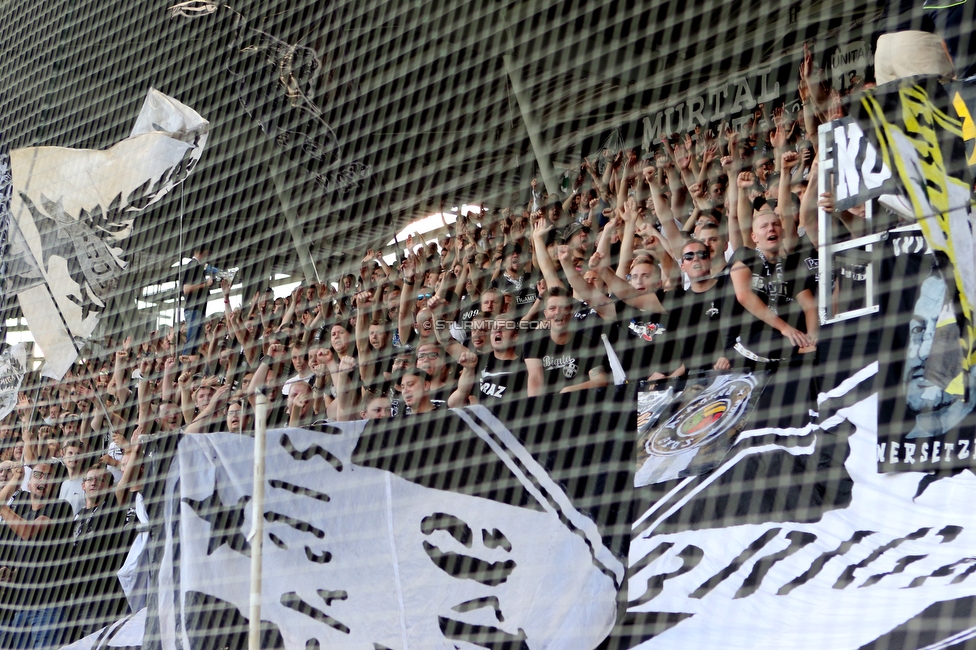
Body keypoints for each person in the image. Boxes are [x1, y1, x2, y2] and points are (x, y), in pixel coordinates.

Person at [0, 462, 75, 650]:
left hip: (49, 607)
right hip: (21, 608)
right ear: (29, 483)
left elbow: (28, 532)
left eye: (49, 477)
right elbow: (25, 563)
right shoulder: (22, 515)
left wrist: (2, 506)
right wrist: (9, 574)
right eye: (39, 475)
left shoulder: (60, 507)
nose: (44, 480)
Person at [65, 464, 131, 642]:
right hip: (74, 595)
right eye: (90, 479)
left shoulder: (112, 509)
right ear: (83, 485)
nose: (94, 482)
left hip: (99, 596)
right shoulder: (76, 516)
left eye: (101, 479)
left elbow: (123, 487)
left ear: (109, 486)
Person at [182, 244, 213, 358]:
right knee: (191, 343)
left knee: (195, 345)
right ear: (203, 251)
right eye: (208, 253)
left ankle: (188, 369)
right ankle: (183, 369)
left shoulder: (197, 267)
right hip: (194, 309)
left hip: (198, 310)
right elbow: (186, 289)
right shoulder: (193, 266)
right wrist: (205, 284)